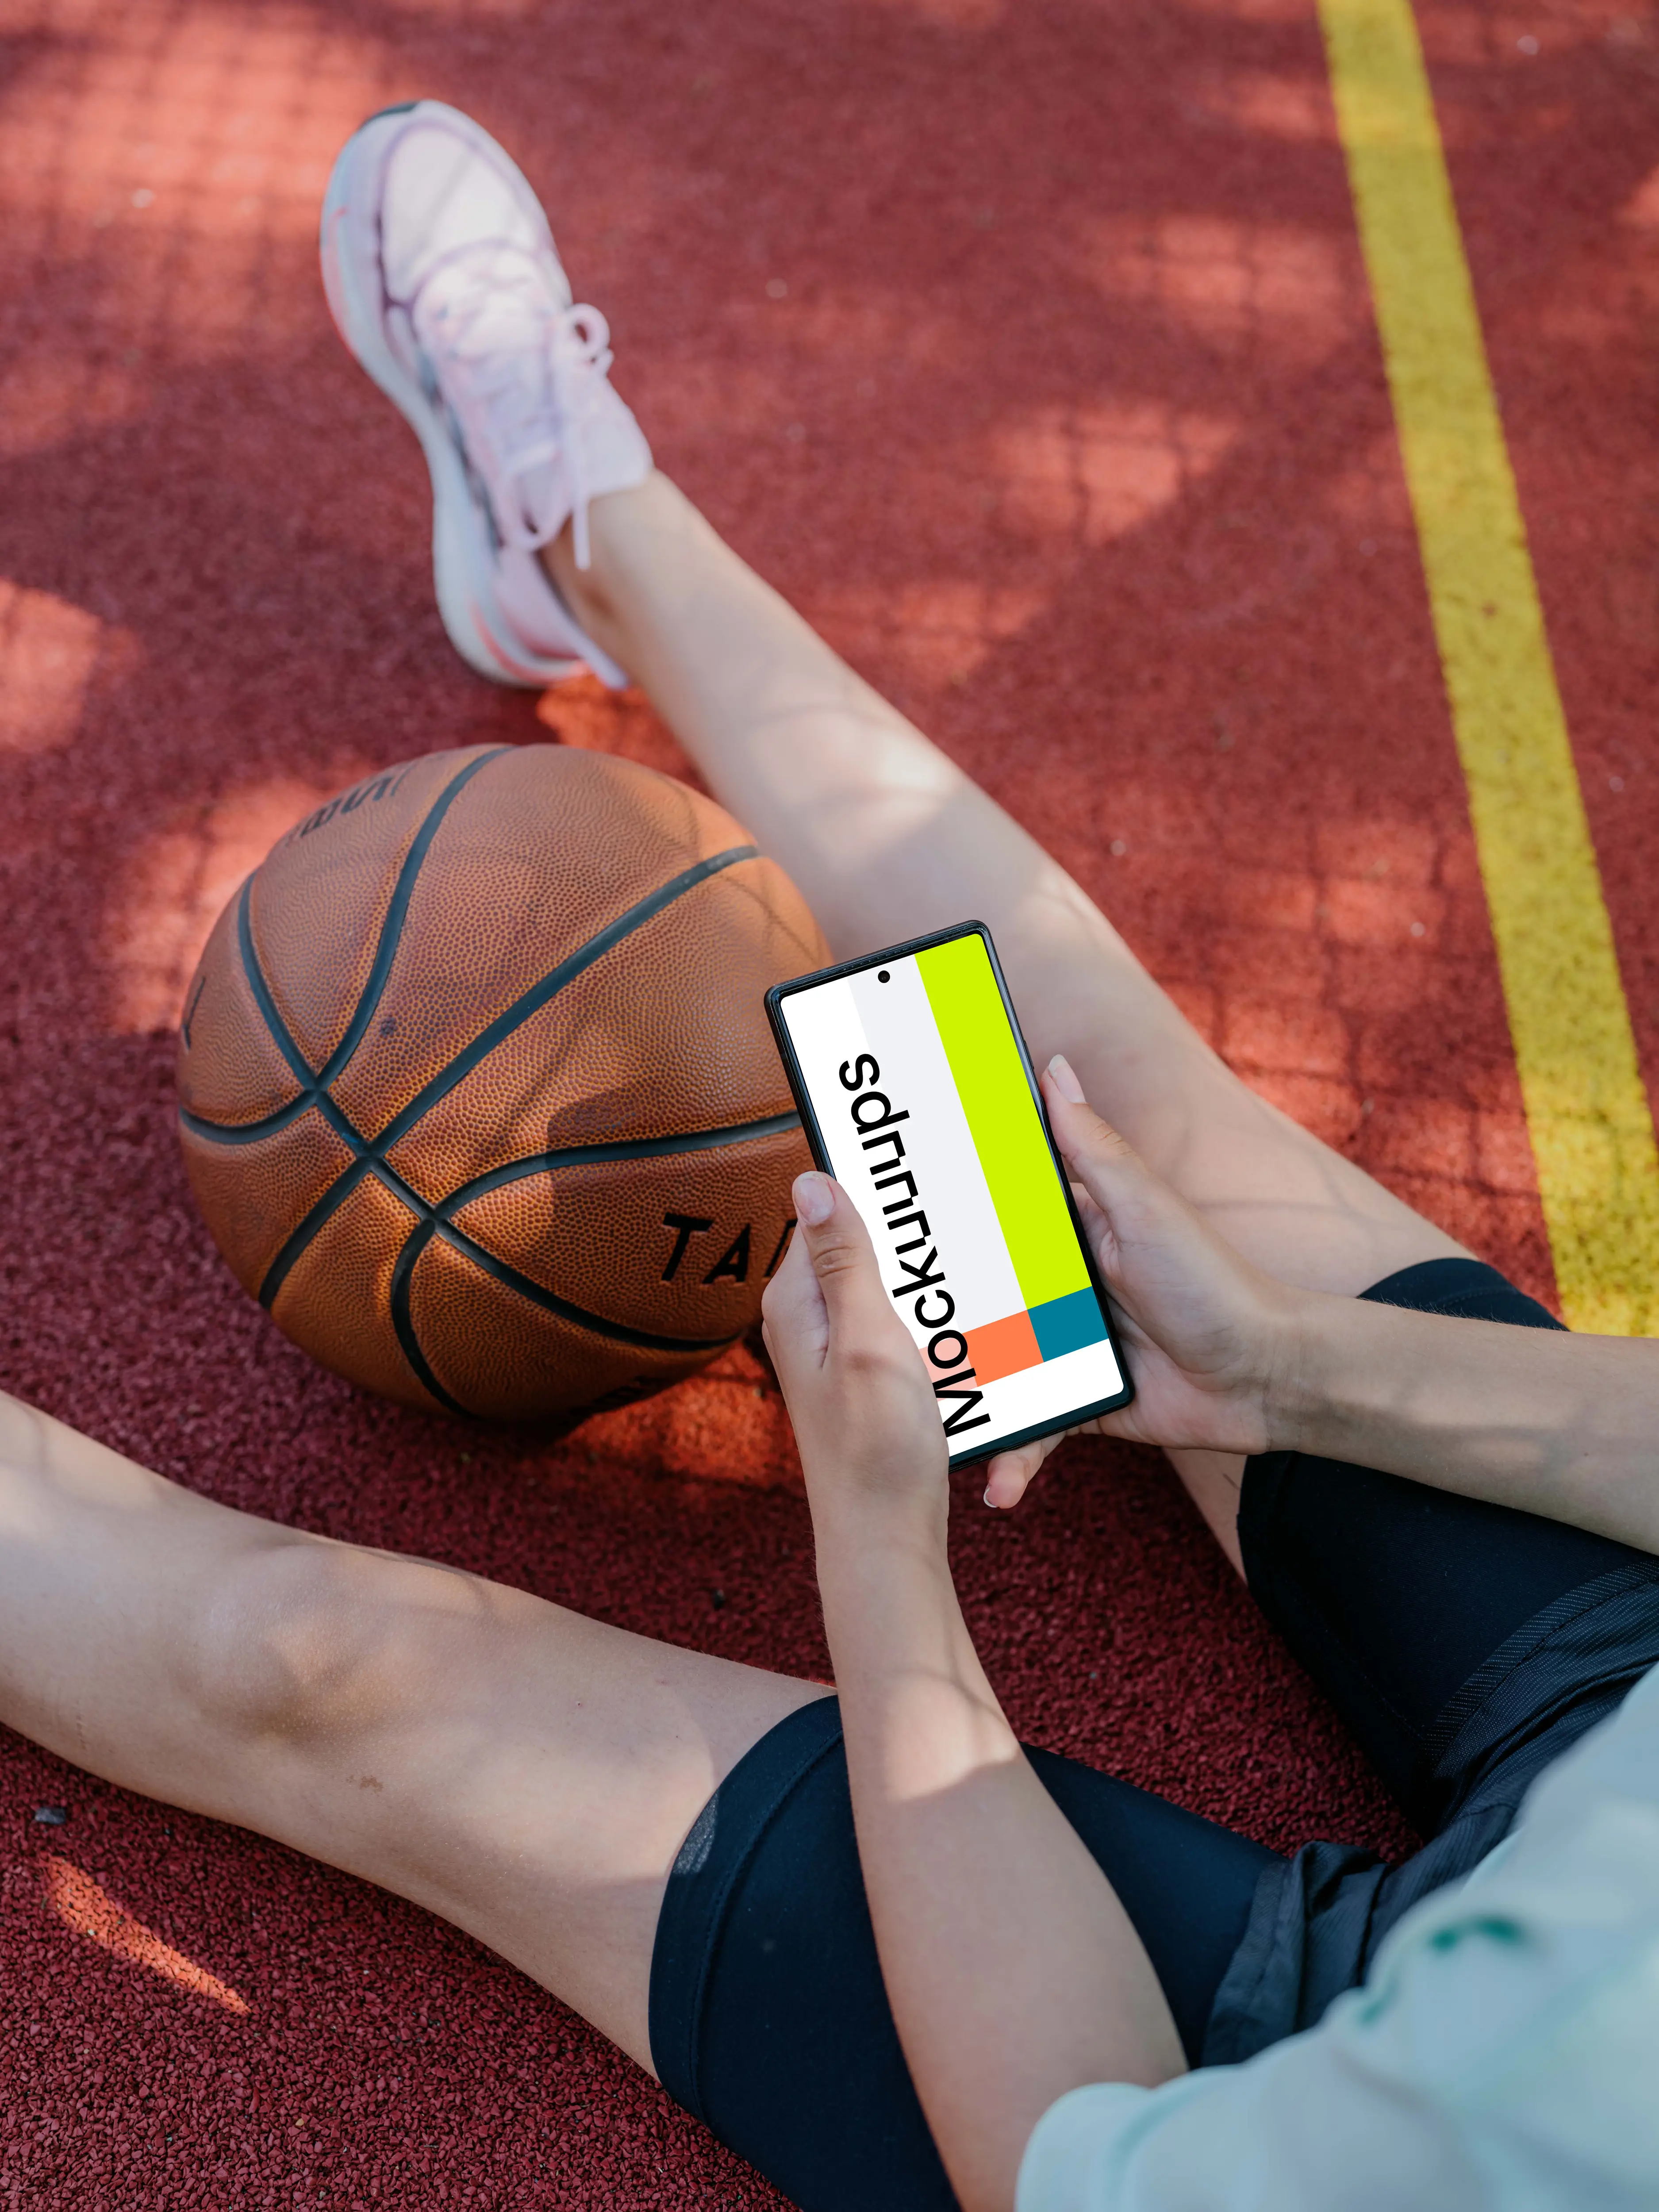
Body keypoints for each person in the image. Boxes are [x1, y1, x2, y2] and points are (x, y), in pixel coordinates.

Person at [8, 98, 1658, 2212]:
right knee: (1090, 1122)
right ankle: (578, 528)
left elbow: (1062, 2132)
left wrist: (885, 1560)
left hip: (1287, 2087)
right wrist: (1285, 1372)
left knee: (333, 1675)